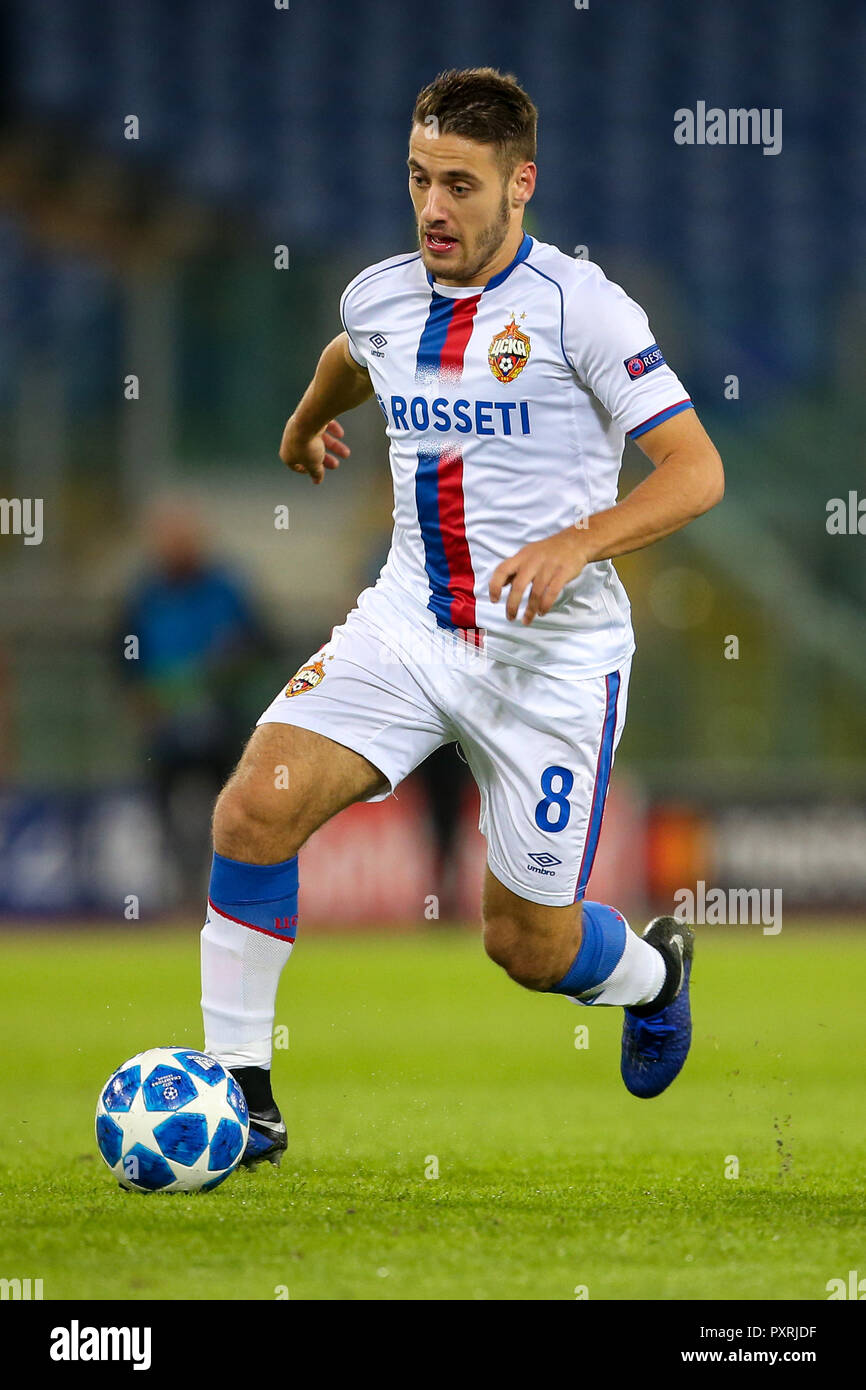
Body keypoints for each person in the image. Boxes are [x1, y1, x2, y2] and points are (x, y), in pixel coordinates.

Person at [200, 68, 724, 1165]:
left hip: (551, 660)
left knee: (521, 944)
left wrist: (580, 539)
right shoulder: (382, 294)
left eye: (458, 185)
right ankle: (240, 1096)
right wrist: (303, 426)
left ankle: (652, 974)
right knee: (252, 809)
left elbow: (693, 469)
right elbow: (353, 357)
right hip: (408, 624)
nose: (432, 208)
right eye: (416, 179)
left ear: (518, 184)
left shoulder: (582, 307)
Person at [117, 497, 275, 908]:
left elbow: (261, 641)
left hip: (221, 722)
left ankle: (219, 892)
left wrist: (232, 664)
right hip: (164, 727)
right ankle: (179, 892)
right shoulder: (143, 594)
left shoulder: (227, 588)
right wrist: (141, 696)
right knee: (164, 814)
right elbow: (121, 654)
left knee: (227, 809)